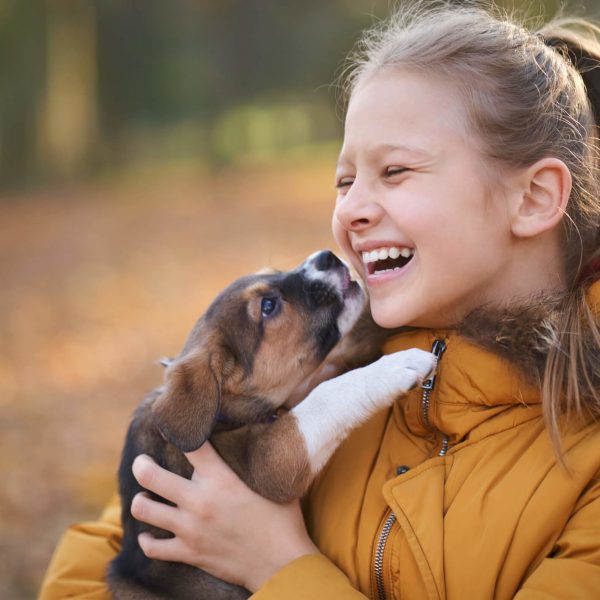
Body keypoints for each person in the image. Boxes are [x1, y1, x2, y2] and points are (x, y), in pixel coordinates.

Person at [40, 3, 600, 598]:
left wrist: (279, 566)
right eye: (344, 180)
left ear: (535, 197)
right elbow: (87, 576)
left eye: (396, 169)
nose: (351, 209)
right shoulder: (301, 384)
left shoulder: (584, 471)